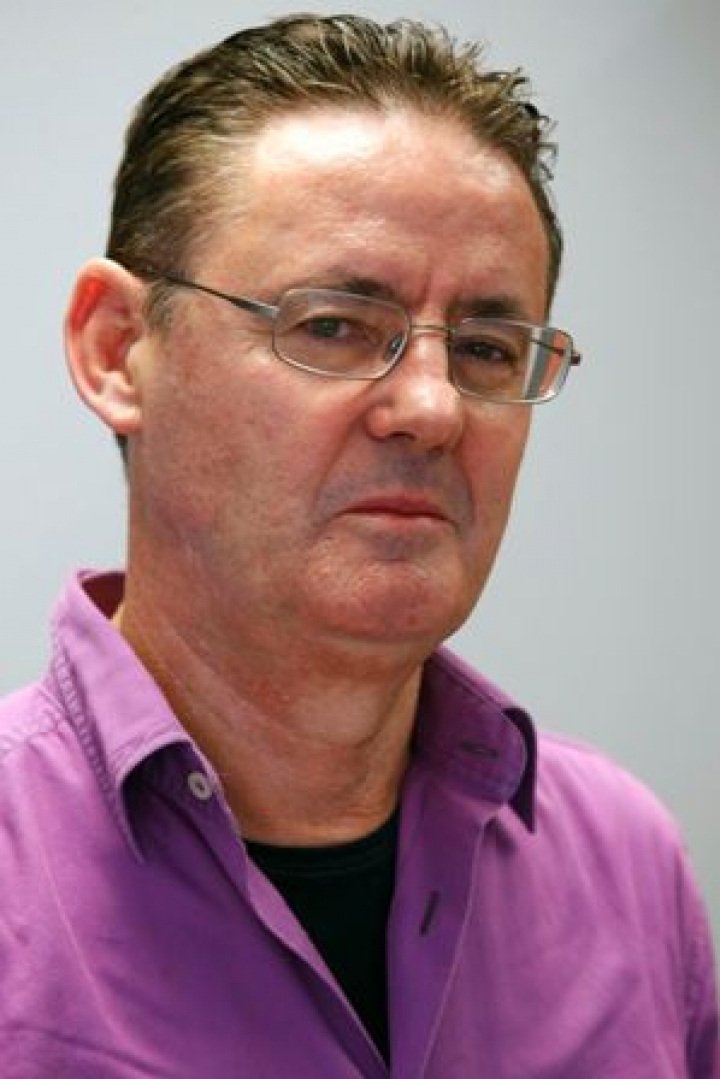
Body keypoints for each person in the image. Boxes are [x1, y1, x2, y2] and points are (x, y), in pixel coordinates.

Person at [0, 13, 717, 1077]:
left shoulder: (627, 864)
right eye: (333, 325)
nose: (432, 408)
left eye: (486, 347)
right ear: (117, 350)